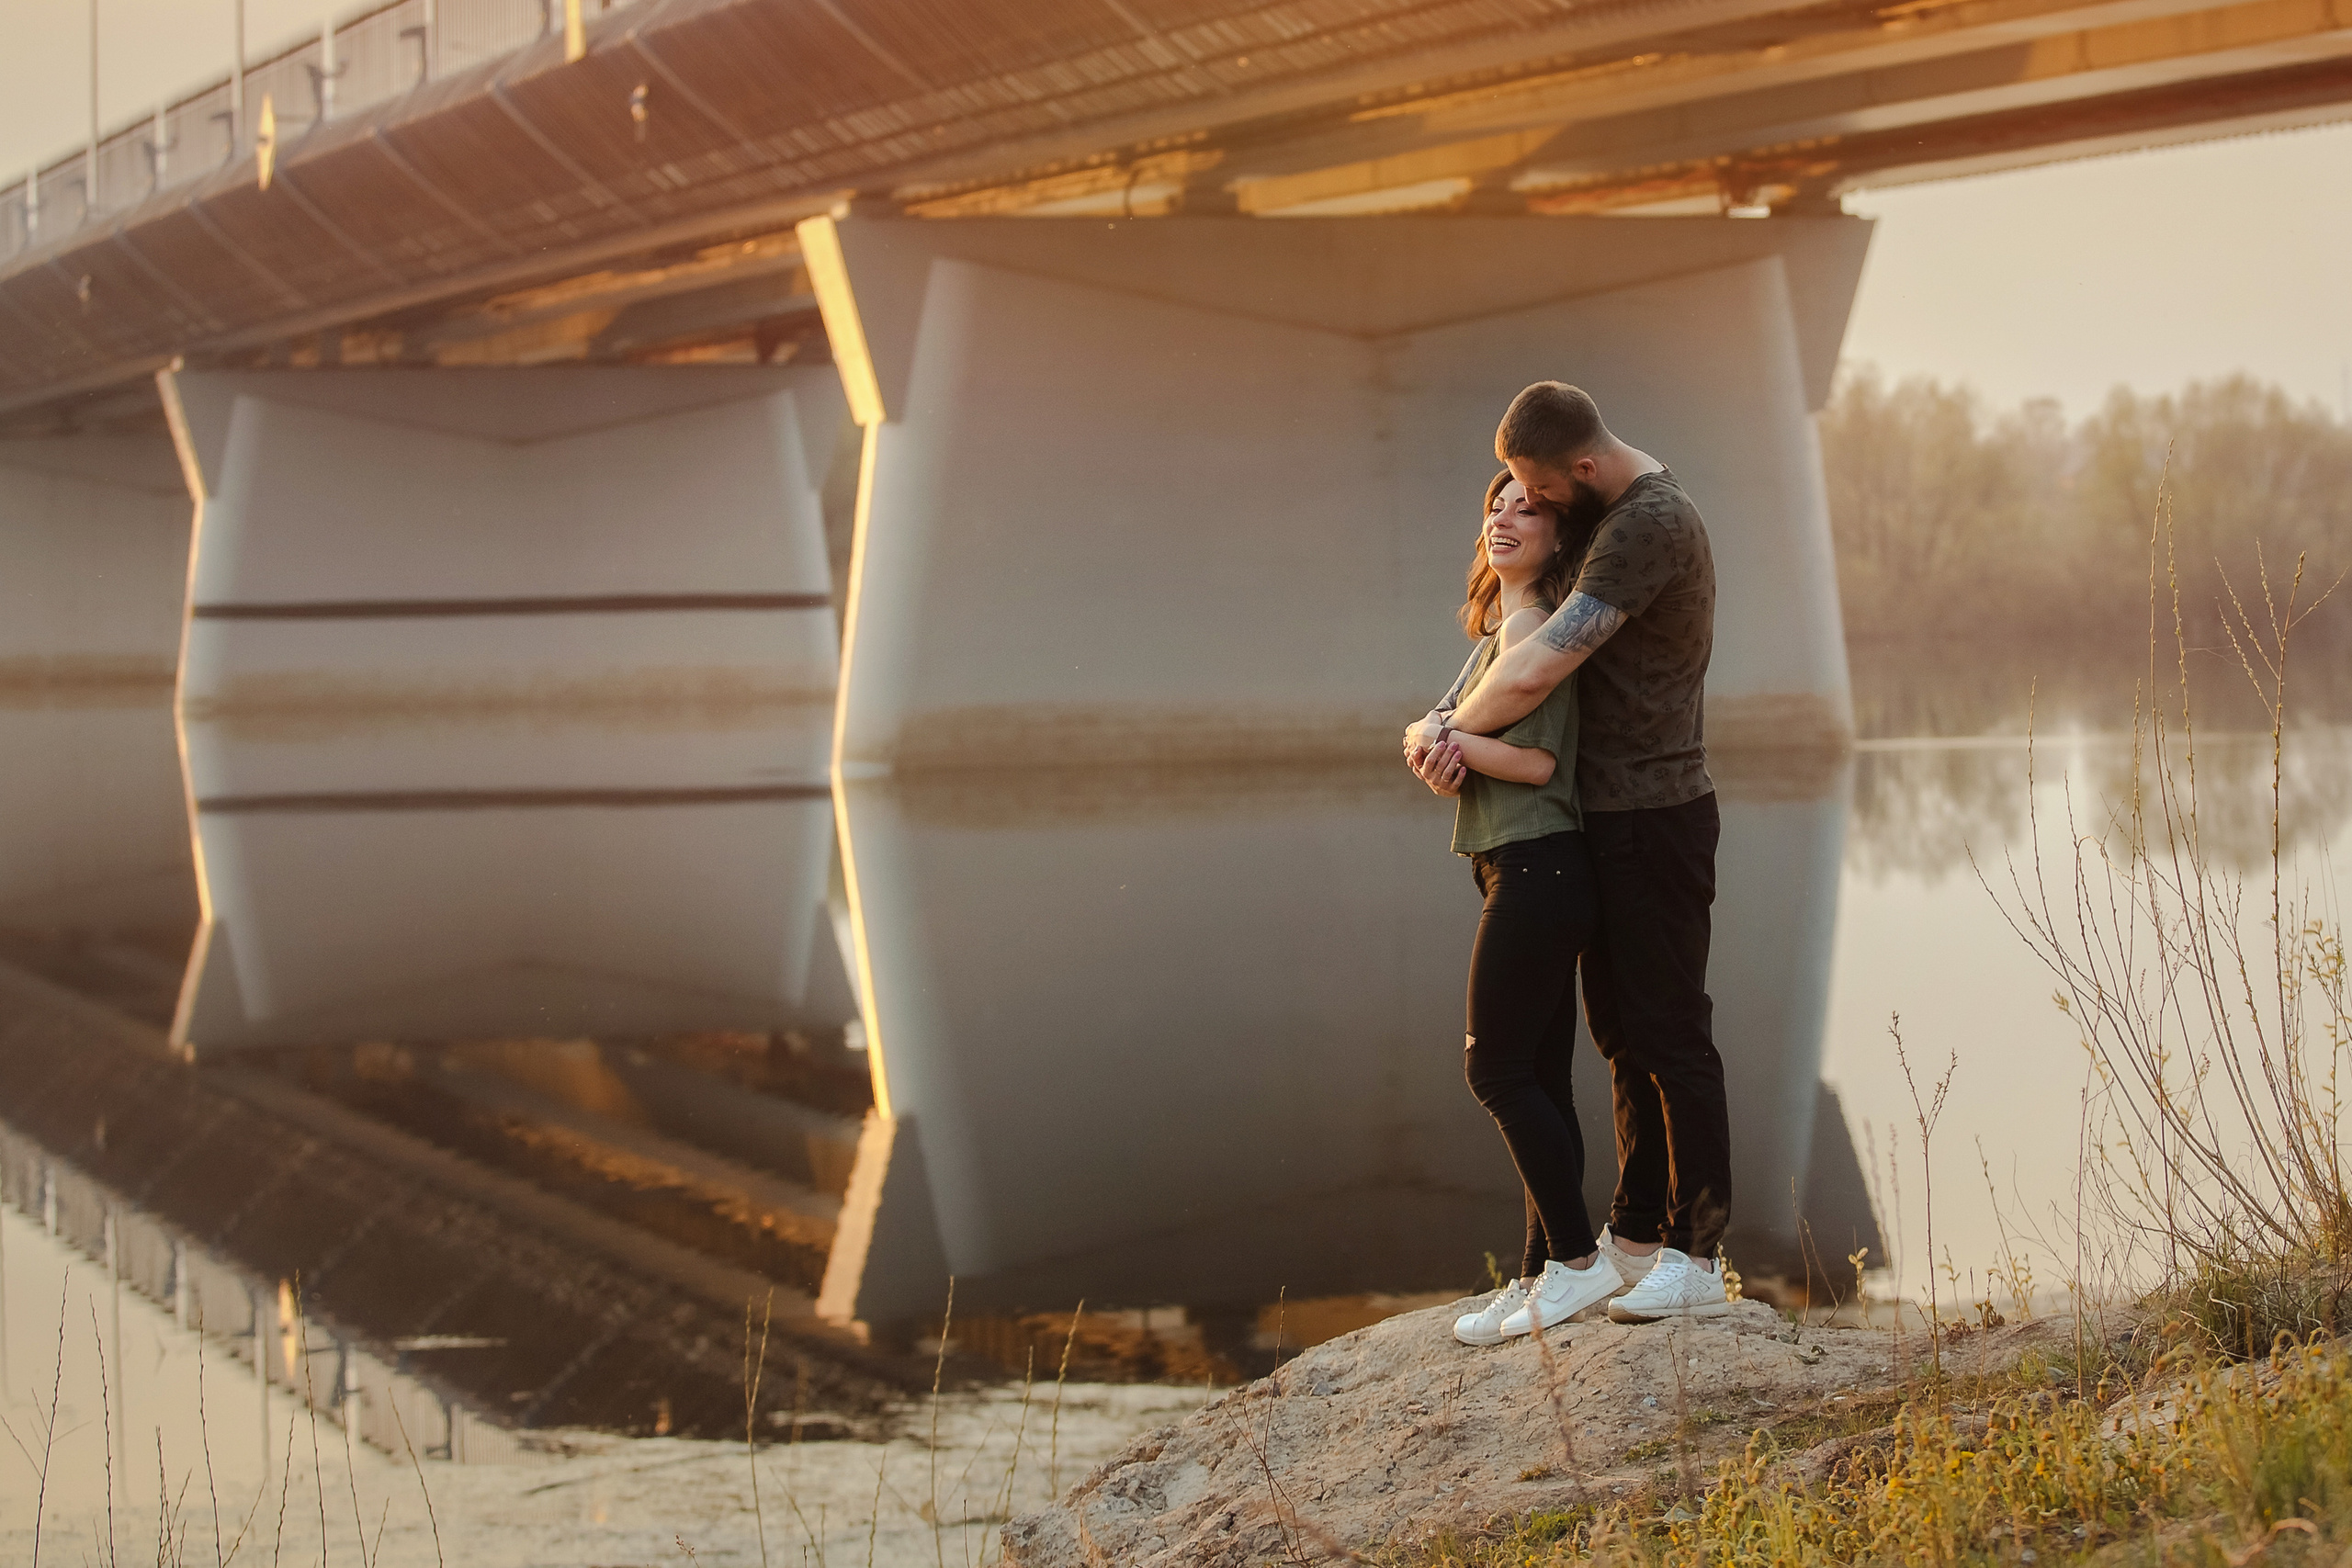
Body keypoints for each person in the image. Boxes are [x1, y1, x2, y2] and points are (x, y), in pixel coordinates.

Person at [1408, 381, 1731, 1325]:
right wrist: (1445, 727)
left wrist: (1442, 736)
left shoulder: (1647, 522)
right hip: (1599, 819)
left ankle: (1698, 1257)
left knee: (1671, 1033)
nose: (1524, 506)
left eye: (1536, 492)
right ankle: (1632, 1238)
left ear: (1582, 470)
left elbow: (1544, 661)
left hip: (1657, 809)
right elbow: (1520, 648)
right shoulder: (1603, 515)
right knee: (1622, 1038)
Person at [1407, 471, 1623, 1348]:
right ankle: (1542, 1276)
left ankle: (1574, 1261)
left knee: (1493, 1070)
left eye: (1527, 508)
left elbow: (1536, 766)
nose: (1502, 516)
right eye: (1495, 504)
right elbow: (1484, 749)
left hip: (1539, 868)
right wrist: (1443, 750)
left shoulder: (1534, 627)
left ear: (1558, 537)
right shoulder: (1501, 629)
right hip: (1521, 864)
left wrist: (1438, 737)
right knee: (1538, 1079)